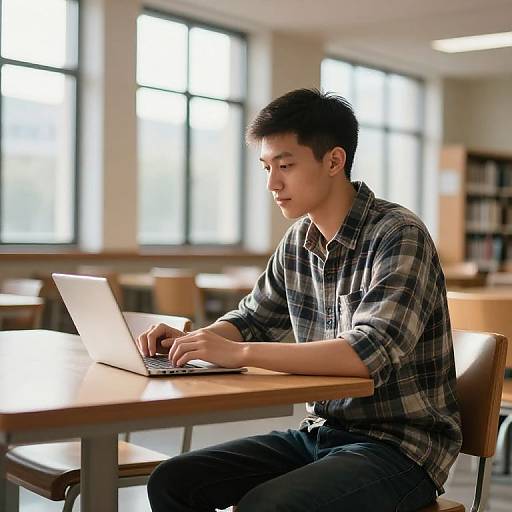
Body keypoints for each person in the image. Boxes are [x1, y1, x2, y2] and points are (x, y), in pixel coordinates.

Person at [138, 88, 462, 512]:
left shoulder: (399, 234)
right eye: (266, 167)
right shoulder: (298, 240)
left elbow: (368, 353)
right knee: (173, 481)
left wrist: (236, 351)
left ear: (333, 161)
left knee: (268, 505)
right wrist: (196, 339)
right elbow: (252, 317)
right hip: (321, 433)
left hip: (402, 448)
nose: (273, 183)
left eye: (286, 166)